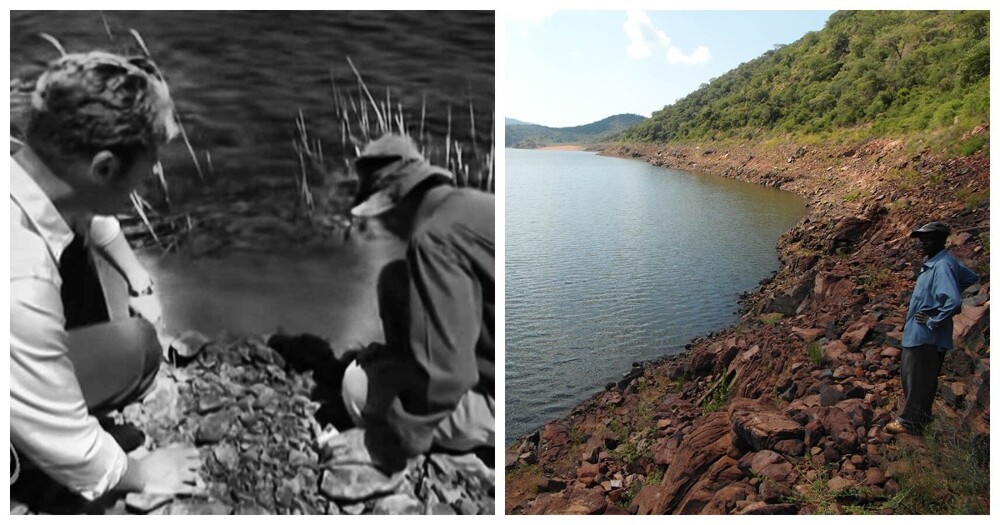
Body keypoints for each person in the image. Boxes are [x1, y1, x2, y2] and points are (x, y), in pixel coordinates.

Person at [10, 51, 200, 503]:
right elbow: (68, 443)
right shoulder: (22, 282)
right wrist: (141, 473)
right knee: (139, 347)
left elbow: (84, 216)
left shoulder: (22, 166)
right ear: (105, 167)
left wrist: (137, 278)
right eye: (150, 160)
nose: (154, 172)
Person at [325, 133, 495, 470]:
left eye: (383, 214)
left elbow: (452, 376)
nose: (384, 225)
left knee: (355, 386)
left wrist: (391, 442)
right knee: (395, 278)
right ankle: (411, 365)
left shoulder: (432, 238)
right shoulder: (473, 203)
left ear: (398, 201)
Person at [886, 221, 979, 434]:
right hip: (920, 333)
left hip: (925, 335)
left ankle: (910, 423)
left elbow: (954, 303)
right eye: (921, 239)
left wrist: (933, 319)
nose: (922, 243)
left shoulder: (942, 265)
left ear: (940, 240)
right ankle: (921, 418)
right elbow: (971, 278)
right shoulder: (940, 262)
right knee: (920, 377)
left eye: (928, 238)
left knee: (916, 378)